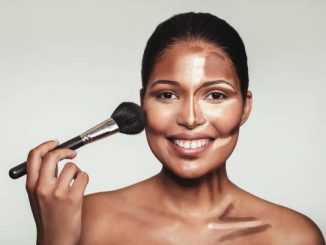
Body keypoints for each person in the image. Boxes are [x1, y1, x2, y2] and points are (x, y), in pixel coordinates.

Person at [25, 12, 325, 244]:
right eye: (167, 95)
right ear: (143, 103)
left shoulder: (294, 237)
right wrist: (56, 239)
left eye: (216, 95)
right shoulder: (82, 220)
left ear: (245, 107)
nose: (191, 118)